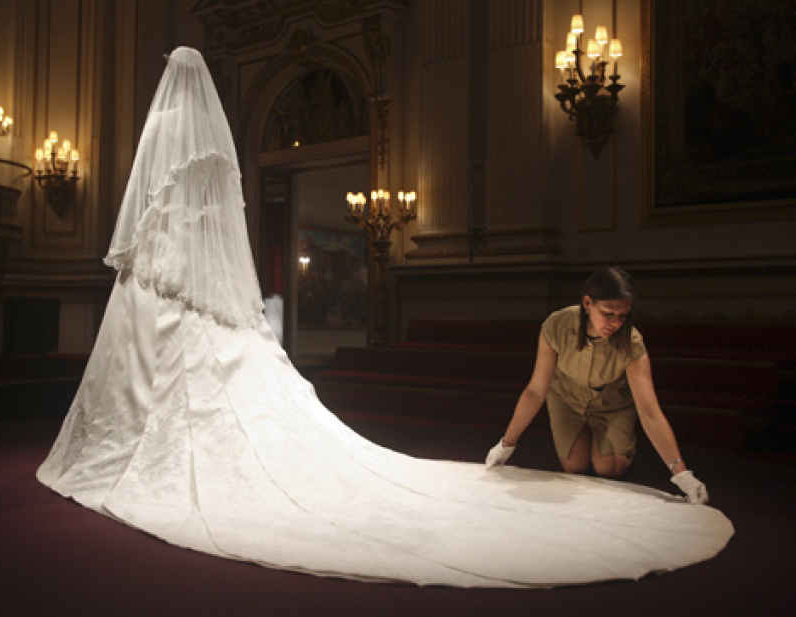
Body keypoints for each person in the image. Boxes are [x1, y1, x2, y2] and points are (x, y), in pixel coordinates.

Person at [38, 48, 731, 588]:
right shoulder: (210, 158)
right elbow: (218, 230)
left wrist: (156, 265)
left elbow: (156, 225)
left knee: (150, 379)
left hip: (161, 288)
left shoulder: (163, 143)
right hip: (197, 292)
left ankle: (130, 440)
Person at [485, 267, 709, 504]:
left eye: (622, 316)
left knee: (608, 469)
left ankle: (615, 441)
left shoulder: (632, 343)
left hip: (612, 404)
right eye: (608, 313)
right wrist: (506, 444)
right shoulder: (557, 325)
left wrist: (682, 474)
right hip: (566, 399)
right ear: (587, 303)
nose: (615, 323)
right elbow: (535, 390)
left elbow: (650, 413)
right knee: (574, 466)